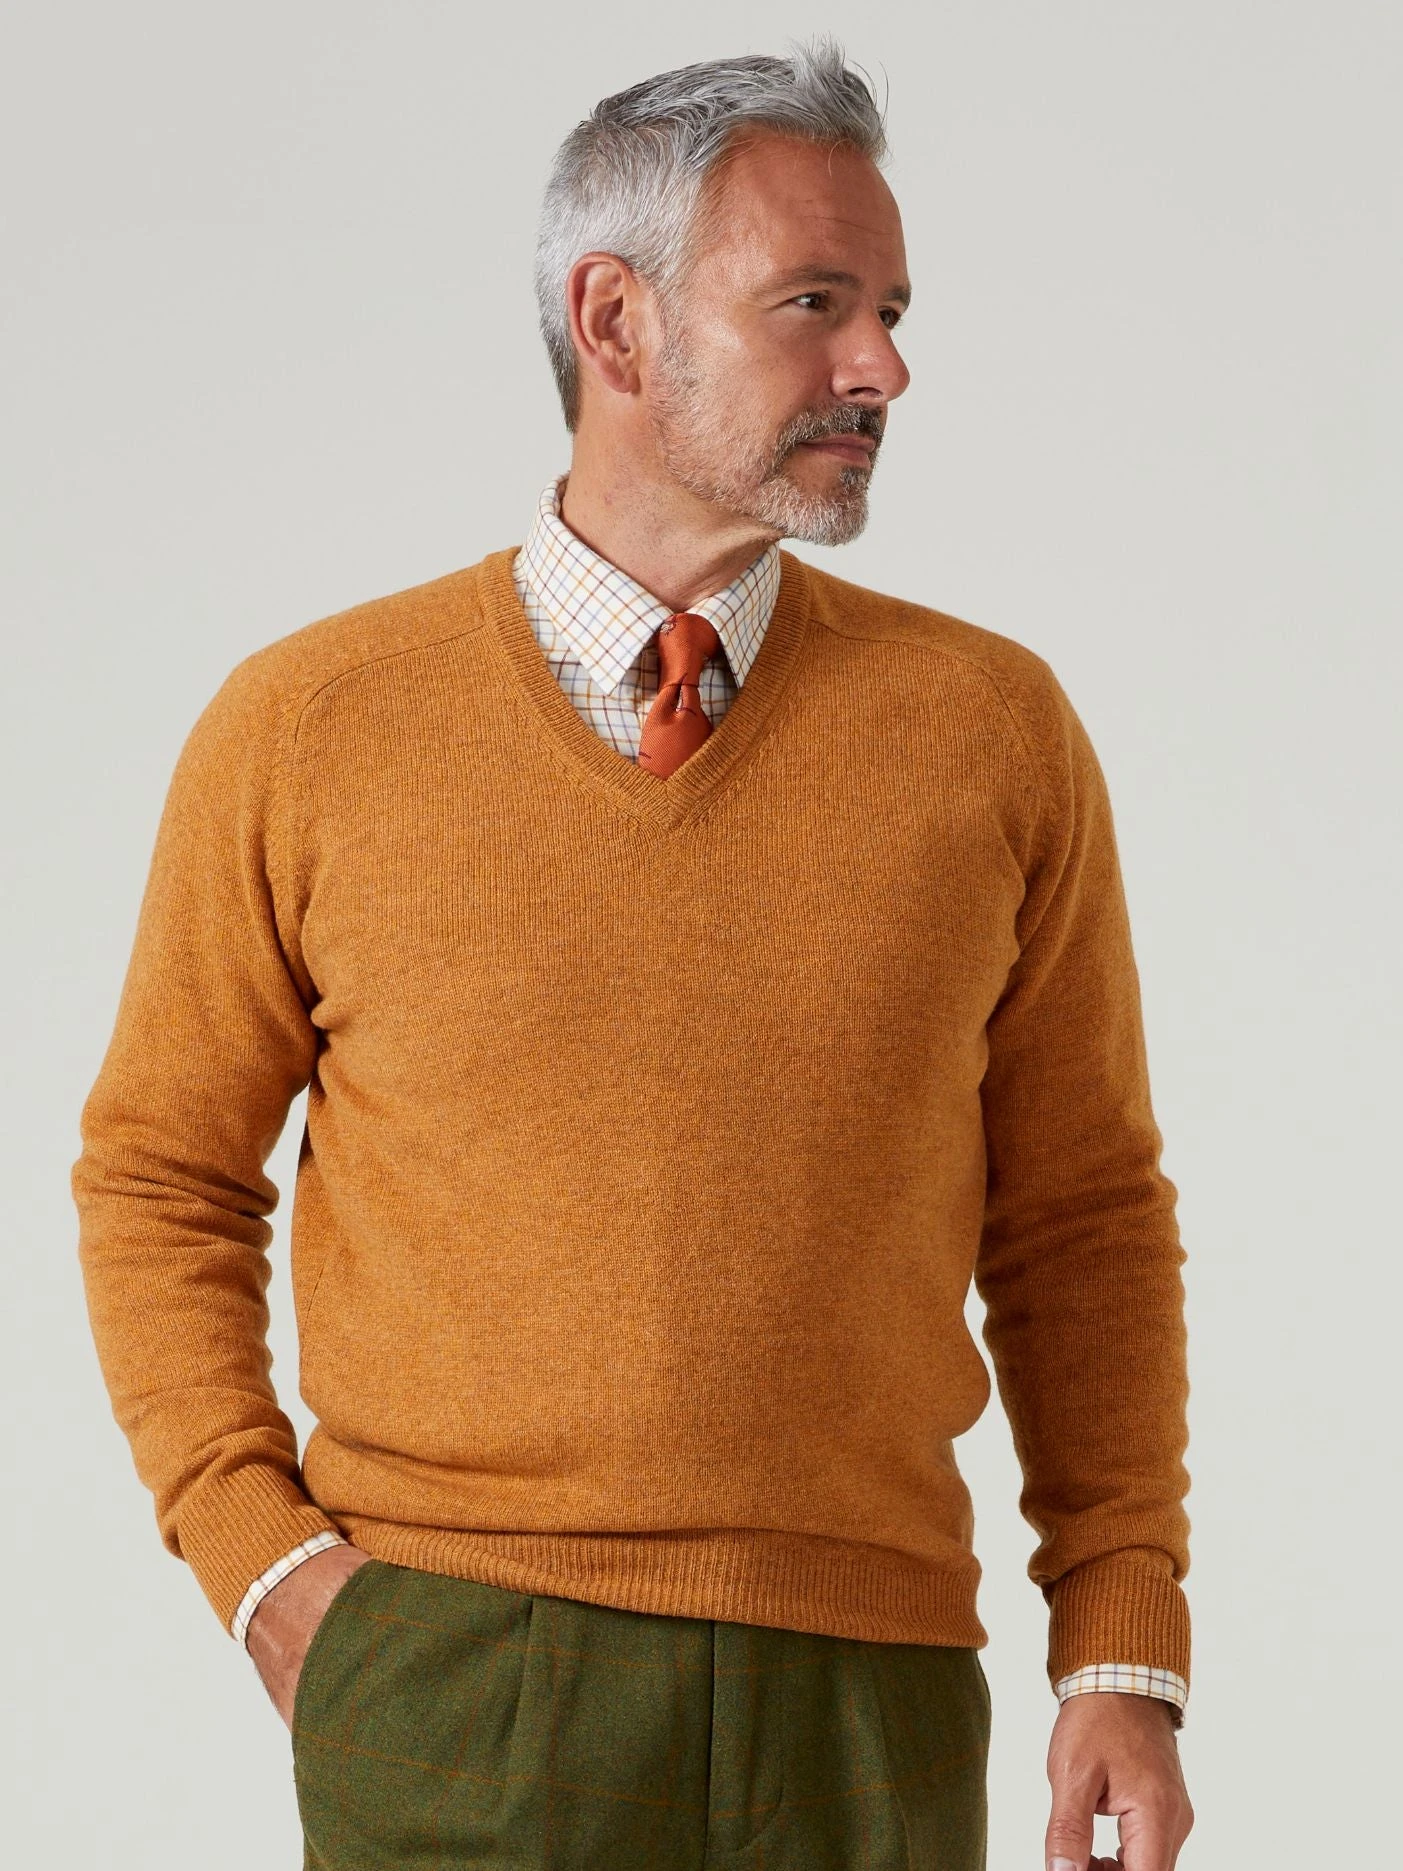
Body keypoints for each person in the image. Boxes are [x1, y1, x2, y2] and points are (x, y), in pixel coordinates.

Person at [72, 38, 1195, 1871]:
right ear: (614, 320)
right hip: (451, 1666)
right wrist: (266, 1569)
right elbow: (159, 1173)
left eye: (892, 311)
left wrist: (1122, 1641)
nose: (882, 368)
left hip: (871, 1685)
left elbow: (1081, 1214)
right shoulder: (311, 726)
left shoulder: (990, 729)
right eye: (815, 303)